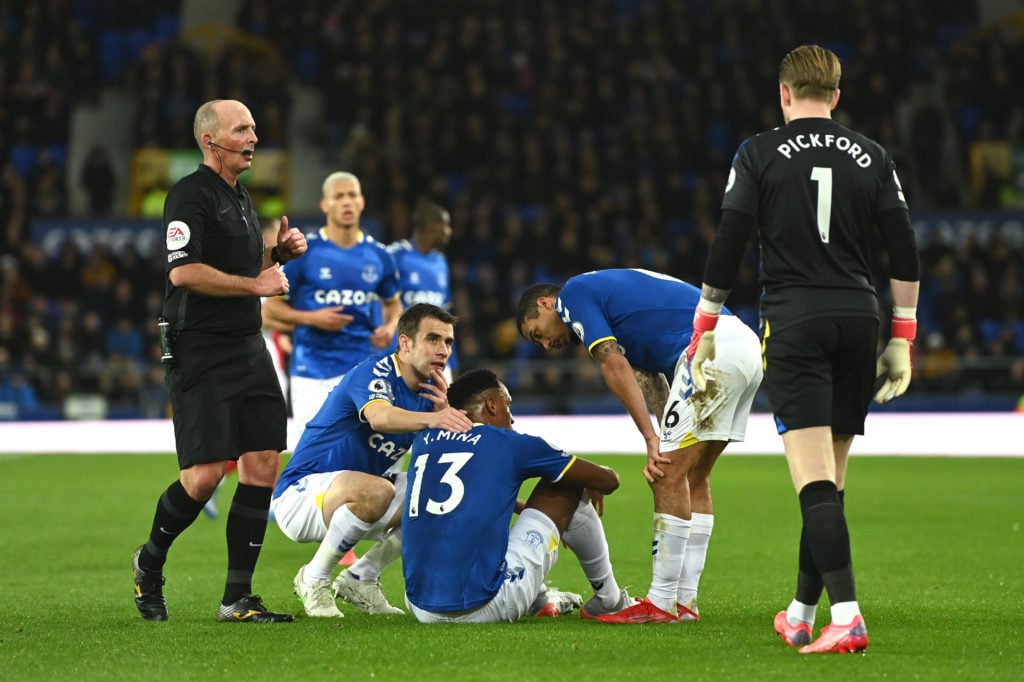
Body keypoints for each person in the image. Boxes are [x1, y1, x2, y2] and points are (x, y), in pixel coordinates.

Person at [687, 45, 919, 654]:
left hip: (796, 319)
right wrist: (904, 335)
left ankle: (847, 615)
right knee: (831, 481)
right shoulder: (873, 155)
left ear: (784, 94)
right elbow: (903, 246)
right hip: (857, 317)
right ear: (836, 97)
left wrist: (705, 322)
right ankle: (800, 611)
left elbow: (731, 237)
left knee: (811, 479)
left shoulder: (758, 152)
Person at [131, 98, 308, 623]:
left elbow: (243, 265)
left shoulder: (242, 195)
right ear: (211, 141)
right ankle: (149, 562)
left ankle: (237, 599)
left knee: (262, 465)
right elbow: (184, 273)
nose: (253, 137)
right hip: (199, 344)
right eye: (242, 129)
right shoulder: (188, 195)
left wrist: (276, 257)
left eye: (254, 127)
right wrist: (257, 284)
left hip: (246, 342)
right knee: (205, 476)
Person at [516, 268, 762, 623]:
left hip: (710, 352)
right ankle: (684, 602)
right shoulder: (613, 303)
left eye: (538, 333)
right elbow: (647, 375)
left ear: (546, 303)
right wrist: (665, 434)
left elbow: (613, 363)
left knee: (665, 474)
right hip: (739, 345)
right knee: (693, 476)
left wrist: (651, 440)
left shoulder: (572, 296)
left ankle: (661, 602)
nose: (545, 345)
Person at [271, 303, 475, 618]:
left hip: (358, 498)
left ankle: (361, 577)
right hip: (301, 494)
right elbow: (379, 417)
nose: (443, 349)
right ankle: (313, 577)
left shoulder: (429, 396)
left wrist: (439, 417)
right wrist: (433, 421)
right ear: (405, 343)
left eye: (448, 342)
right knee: (378, 490)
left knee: (443, 497)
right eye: (433, 339)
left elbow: (431, 464)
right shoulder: (374, 371)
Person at [402, 368, 632, 623]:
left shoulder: (425, 440)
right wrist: (589, 481)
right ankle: (610, 600)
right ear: (491, 404)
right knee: (568, 482)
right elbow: (609, 481)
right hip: (483, 605)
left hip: (419, 606)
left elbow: (463, 499)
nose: (512, 420)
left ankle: (541, 599)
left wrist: (522, 507)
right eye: (507, 405)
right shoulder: (509, 442)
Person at [263, 171, 402, 441]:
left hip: (363, 370)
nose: (346, 202)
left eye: (352, 195)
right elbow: (271, 308)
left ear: (362, 202)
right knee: (313, 459)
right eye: (339, 196)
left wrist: (390, 327)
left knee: (363, 459)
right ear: (325, 205)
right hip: (312, 372)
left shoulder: (380, 256)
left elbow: (394, 307)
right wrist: (312, 318)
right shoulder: (305, 252)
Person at [202, 218, 294, 520]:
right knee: (266, 430)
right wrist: (302, 323)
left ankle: (230, 486)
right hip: (260, 357)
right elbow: (262, 317)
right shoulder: (255, 272)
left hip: (271, 355)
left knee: (264, 433)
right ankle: (261, 494)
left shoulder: (275, 270)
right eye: (269, 237)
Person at [384, 201, 457, 381]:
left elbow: (445, 314)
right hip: (403, 355)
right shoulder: (395, 256)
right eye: (445, 225)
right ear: (432, 227)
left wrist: (453, 360)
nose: (449, 231)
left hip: (436, 355)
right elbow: (383, 303)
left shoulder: (441, 262)